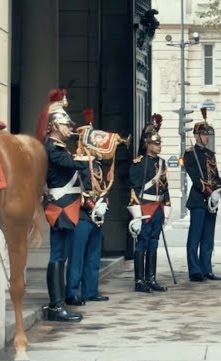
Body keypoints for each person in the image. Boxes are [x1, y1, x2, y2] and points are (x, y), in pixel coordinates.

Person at [34, 90, 84, 323]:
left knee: (62, 256)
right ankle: (56, 305)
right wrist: (91, 157)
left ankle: (59, 302)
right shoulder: (52, 148)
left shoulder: (60, 147)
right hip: (61, 207)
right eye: (66, 124)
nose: (69, 128)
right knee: (57, 256)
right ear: (54, 125)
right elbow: (70, 164)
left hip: (68, 206)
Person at [66, 107, 120, 305]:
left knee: (93, 255)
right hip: (81, 214)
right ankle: (72, 293)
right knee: (77, 256)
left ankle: (90, 290)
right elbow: (76, 189)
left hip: (96, 215)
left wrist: (103, 203)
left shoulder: (96, 164)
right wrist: (91, 206)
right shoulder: (76, 162)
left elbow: (102, 187)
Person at [128, 115, 170, 294]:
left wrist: (167, 208)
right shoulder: (138, 163)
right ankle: (139, 280)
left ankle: (151, 278)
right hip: (145, 207)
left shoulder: (161, 163)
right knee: (142, 243)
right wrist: (136, 214)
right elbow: (133, 189)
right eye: (155, 143)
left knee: (154, 243)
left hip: (158, 208)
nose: (159, 146)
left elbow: (165, 187)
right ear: (147, 144)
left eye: (159, 143)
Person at [184, 108, 221, 282]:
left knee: (208, 237)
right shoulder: (190, 154)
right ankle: (195, 270)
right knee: (195, 237)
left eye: (208, 134)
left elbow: (216, 176)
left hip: (212, 201)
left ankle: (206, 269)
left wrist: (218, 192)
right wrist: (208, 191)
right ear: (196, 135)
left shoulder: (211, 154)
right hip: (198, 200)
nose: (207, 137)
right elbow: (195, 176)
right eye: (204, 134)